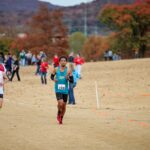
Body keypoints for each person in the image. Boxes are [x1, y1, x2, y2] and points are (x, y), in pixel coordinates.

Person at [50, 56, 74, 124]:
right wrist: (53, 79)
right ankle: (58, 113)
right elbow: (51, 76)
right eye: (62, 60)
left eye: (64, 60)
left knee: (64, 105)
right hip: (58, 89)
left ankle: (61, 118)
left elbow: (72, 80)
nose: (63, 62)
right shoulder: (56, 69)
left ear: (66, 62)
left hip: (65, 90)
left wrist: (68, 78)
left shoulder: (69, 70)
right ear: (59, 62)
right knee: (60, 103)